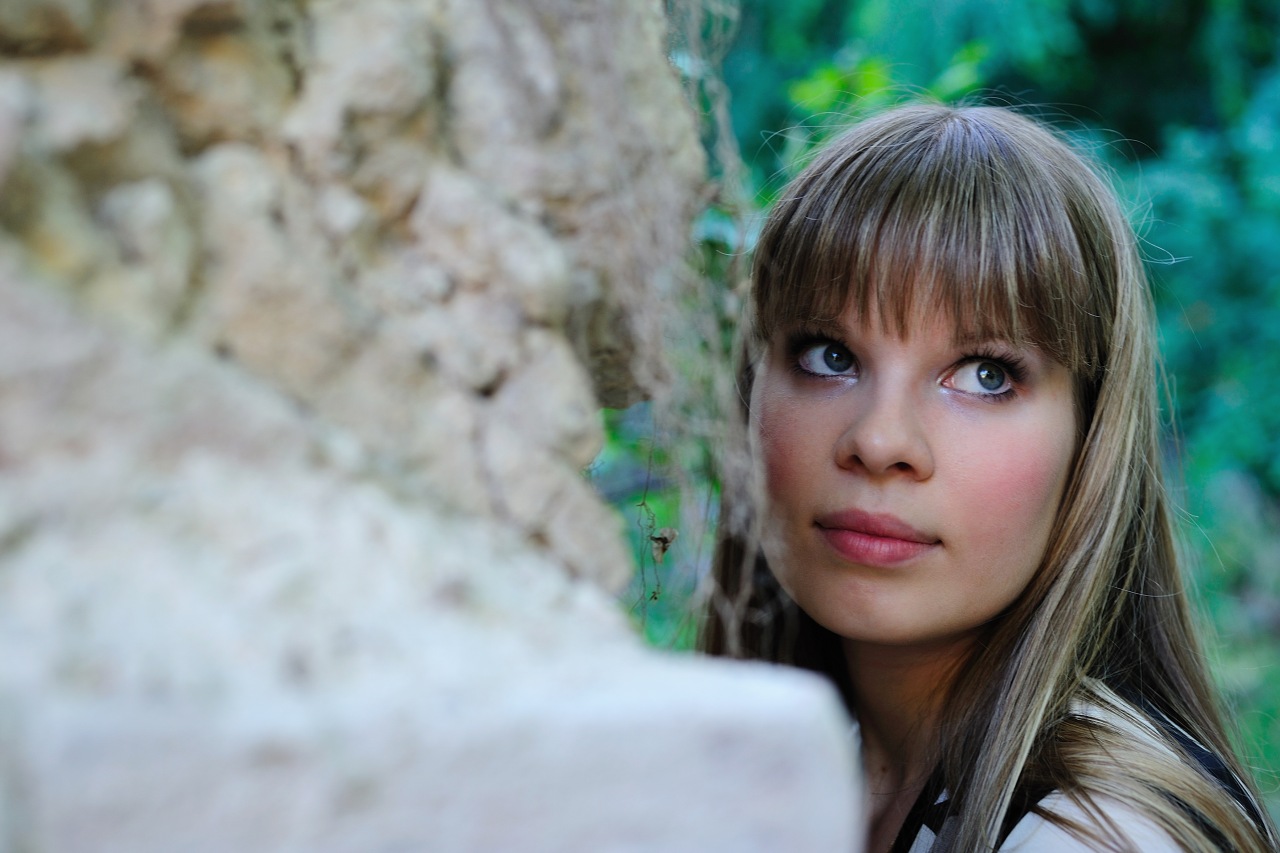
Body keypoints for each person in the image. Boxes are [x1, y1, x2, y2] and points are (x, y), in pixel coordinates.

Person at [699, 103, 1279, 852]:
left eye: (984, 374)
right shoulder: (806, 777)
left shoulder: (1095, 837)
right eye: (829, 356)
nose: (879, 440)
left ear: (1090, 439)